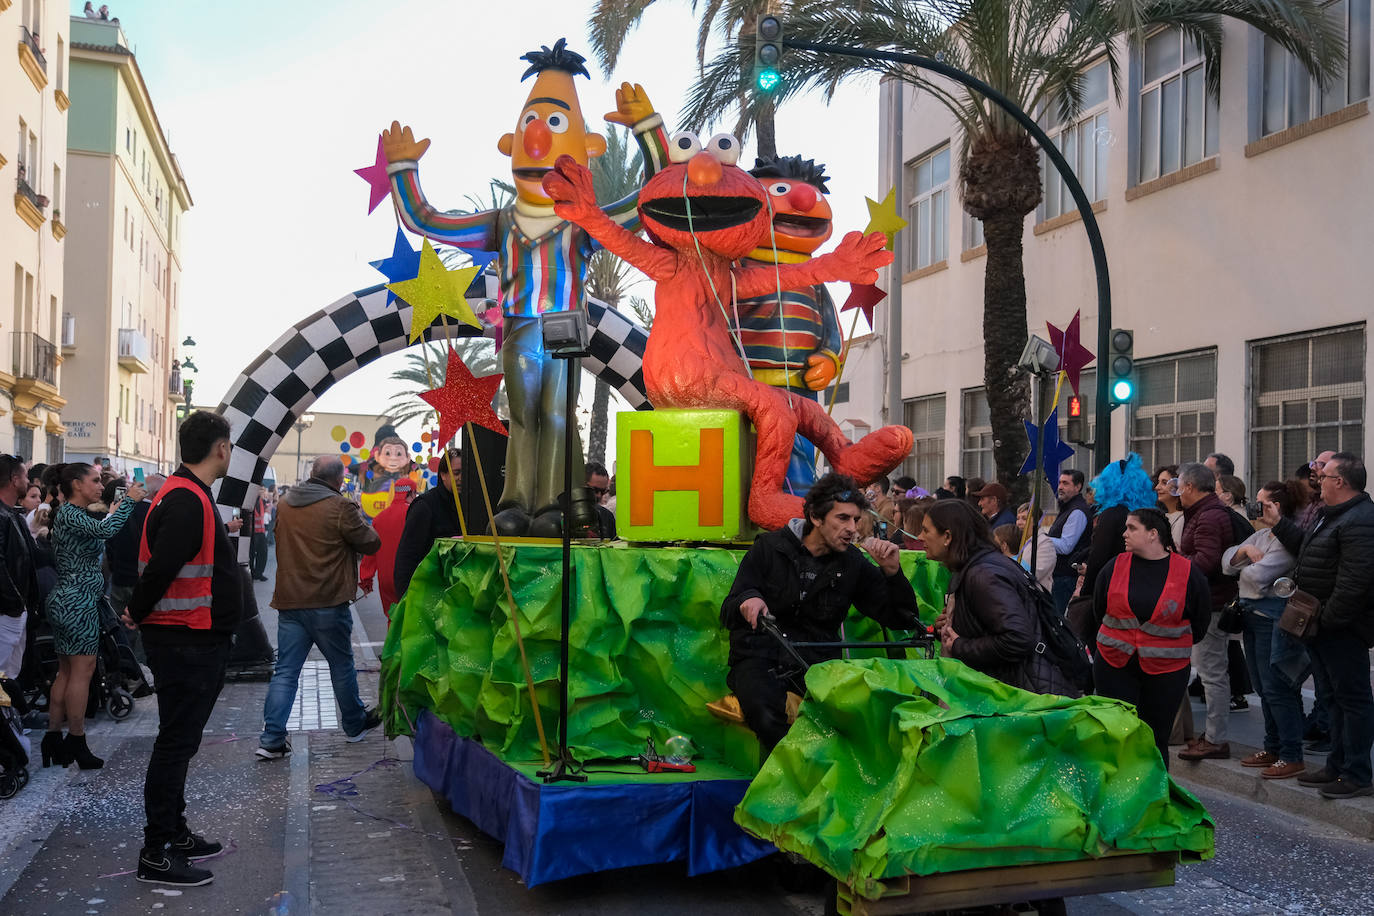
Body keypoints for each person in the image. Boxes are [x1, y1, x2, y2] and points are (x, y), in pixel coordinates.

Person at [124, 410, 242, 886]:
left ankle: (174, 833)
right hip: (185, 638)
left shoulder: (186, 494)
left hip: (191, 635)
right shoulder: (188, 499)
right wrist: (136, 608)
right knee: (176, 743)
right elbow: (164, 566)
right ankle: (156, 851)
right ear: (220, 449)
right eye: (229, 446)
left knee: (181, 741)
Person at [720, 474, 921, 755]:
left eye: (855, 519)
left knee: (855, 720)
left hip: (817, 665)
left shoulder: (852, 562)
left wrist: (892, 573)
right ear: (815, 517)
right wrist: (748, 599)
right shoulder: (769, 548)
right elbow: (728, 611)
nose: (852, 528)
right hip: (760, 659)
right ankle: (786, 787)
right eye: (843, 519)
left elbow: (899, 617)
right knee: (766, 715)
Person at [258, 455, 382, 760]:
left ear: (312, 474)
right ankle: (354, 725)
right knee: (341, 666)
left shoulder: (285, 503)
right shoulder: (340, 506)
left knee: (286, 671)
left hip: (290, 600)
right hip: (327, 601)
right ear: (338, 480)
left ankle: (272, 737)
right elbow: (371, 543)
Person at [1269, 453, 1374, 799]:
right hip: (1319, 625)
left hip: (1340, 628)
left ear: (1341, 482)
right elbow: (1309, 554)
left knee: (1352, 699)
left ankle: (1356, 773)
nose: (1318, 480)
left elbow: (1355, 582)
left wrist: (1325, 621)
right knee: (1331, 696)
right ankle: (1337, 764)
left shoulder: (1360, 519)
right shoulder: (1330, 516)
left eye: (1325, 475)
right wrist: (1279, 523)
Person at [44, 463, 146, 769]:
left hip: (69, 599)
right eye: (94, 481)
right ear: (77, 484)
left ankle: (53, 738)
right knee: (82, 672)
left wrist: (116, 508)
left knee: (66, 671)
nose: (100, 486)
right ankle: (76, 741)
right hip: (78, 601)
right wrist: (130, 501)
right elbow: (107, 530)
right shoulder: (72, 514)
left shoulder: (70, 514)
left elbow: (102, 527)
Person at [1092, 508, 1211, 768]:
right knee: (1115, 734)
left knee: (1155, 738)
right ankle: (1116, 797)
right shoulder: (1114, 566)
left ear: (1153, 534)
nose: (1124, 533)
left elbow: (1200, 622)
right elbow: (1099, 610)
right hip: (1114, 665)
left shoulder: (1188, 573)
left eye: (1132, 528)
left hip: (1166, 670)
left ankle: (1153, 798)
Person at [925, 500, 1077, 697]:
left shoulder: (983, 575)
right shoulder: (974, 567)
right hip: (999, 692)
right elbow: (988, 625)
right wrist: (950, 627)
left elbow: (1017, 638)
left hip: (1013, 697)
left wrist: (959, 645)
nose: (920, 537)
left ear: (947, 536)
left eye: (925, 530)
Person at [1224, 480, 1305, 779]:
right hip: (1252, 616)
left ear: (1277, 507)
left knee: (1277, 687)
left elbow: (1257, 577)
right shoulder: (1260, 535)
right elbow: (1227, 564)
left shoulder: (1287, 538)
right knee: (1262, 686)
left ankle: (1292, 754)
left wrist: (1242, 561)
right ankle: (1272, 746)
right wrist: (1245, 548)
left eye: (1261, 503)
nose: (1254, 508)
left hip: (1273, 618)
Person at [1175, 462, 1239, 762]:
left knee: (1212, 673)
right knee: (1210, 671)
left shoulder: (1209, 517)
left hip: (1212, 604)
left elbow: (1206, 562)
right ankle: (1212, 735)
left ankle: (1216, 738)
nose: (1176, 492)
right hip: (1208, 601)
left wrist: (1173, 561)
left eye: (1179, 486)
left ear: (1189, 487)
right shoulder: (1204, 513)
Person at [393, 449, 462, 600]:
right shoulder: (425, 506)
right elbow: (407, 556)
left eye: (465, 473)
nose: (461, 478)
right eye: (456, 473)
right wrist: (405, 599)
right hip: (428, 594)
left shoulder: (472, 505)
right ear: (443, 475)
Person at [0, 455, 41, 680]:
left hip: (15, 610)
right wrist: (15, 603)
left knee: (9, 674)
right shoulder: (3, 516)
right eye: (25, 475)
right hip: (8, 611)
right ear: (14, 480)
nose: (29, 481)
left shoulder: (12, 515)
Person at [360, 477, 416, 618]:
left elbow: (371, 552)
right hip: (409, 577)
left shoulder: (379, 518)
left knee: (392, 617)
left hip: (386, 579)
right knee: (410, 620)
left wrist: (366, 579)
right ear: (411, 493)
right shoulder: (414, 514)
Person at [1047, 470, 1090, 614]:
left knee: (1061, 622)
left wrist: (1042, 539)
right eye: (1059, 482)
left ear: (1078, 487)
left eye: (1065, 483)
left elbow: (1066, 546)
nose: (1060, 487)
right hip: (1060, 576)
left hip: (1066, 578)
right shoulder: (1068, 508)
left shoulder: (1077, 512)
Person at [1012, 502, 1055, 591]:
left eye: (1024, 519)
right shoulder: (1018, 541)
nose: (1019, 522)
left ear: (1036, 521)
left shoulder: (1045, 543)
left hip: (1036, 595)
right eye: (1018, 518)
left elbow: (1037, 573)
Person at [1154, 465, 1186, 551]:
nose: (1157, 487)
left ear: (1178, 487)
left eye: (1164, 483)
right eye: (1158, 482)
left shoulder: (1182, 519)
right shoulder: (1165, 516)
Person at [585, 460, 617, 540]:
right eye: (594, 490)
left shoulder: (607, 516)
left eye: (603, 491)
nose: (599, 495)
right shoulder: (563, 513)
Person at [249, 489, 270, 581]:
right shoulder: (251, 501)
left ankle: (259, 573)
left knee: (263, 553)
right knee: (251, 554)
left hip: (261, 531)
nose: (263, 492)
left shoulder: (262, 501)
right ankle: (251, 573)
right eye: (261, 489)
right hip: (252, 533)